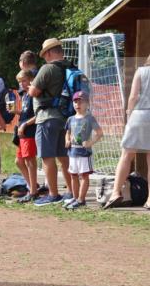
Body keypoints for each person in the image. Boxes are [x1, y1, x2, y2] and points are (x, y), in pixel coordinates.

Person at [28, 38, 71, 206]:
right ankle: (71, 191)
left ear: (50, 52)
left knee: (47, 156)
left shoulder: (48, 69)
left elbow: (33, 91)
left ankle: (53, 194)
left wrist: (32, 85)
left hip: (47, 117)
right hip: (65, 117)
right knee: (63, 156)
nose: (44, 57)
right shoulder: (70, 67)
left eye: (45, 54)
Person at [104, 54, 150, 209]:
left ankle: (116, 192)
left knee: (126, 155)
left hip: (139, 114)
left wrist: (129, 115)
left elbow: (133, 96)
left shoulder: (141, 71)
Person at [63, 91, 103, 210]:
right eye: (75, 101)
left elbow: (99, 133)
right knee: (73, 175)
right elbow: (68, 132)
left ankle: (81, 199)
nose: (78, 104)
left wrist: (90, 143)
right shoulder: (70, 119)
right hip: (72, 152)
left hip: (84, 153)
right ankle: (75, 198)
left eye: (81, 101)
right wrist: (67, 140)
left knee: (84, 176)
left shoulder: (89, 118)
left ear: (87, 104)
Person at [14, 68, 39, 203]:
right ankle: (32, 186)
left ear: (31, 80)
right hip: (22, 133)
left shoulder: (33, 95)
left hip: (29, 131)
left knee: (29, 160)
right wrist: (16, 112)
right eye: (19, 82)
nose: (22, 84)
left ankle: (33, 191)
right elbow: (26, 112)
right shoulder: (24, 95)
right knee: (19, 161)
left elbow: (38, 114)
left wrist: (24, 125)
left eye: (24, 81)